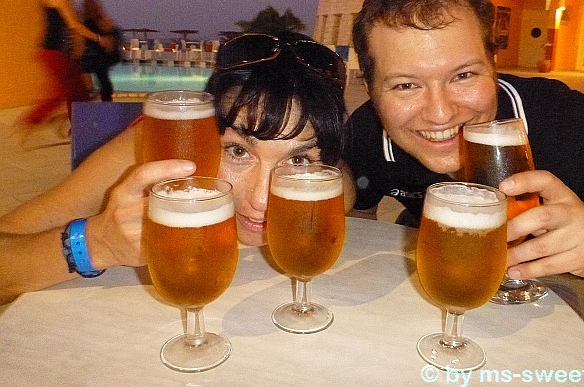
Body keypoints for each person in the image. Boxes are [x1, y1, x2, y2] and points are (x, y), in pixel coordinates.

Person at [343, 0, 584, 350]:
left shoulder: (566, 122)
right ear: (370, 89)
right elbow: (360, 215)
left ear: (494, 66)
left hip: (579, 272)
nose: (440, 114)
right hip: (446, 259)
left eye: (463, 76)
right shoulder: (369, 132)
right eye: (405, 85)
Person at [0, 32, 348, 304]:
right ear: (200, 135)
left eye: (297, 159)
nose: (260, 200)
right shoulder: (151, 153)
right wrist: (97, 243)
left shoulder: (327, 185)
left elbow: (344, 186)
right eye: (238, 151)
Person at [17, 0, 111, 130]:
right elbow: (73, 24)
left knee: (73, 91)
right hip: (54, 52)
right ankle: (31, 121)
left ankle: (73, 127)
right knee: (72, 92)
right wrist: (98, 38)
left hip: (49, 51)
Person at [79, 0, 121, 102]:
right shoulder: (90, 4)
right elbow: (102, 24)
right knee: (103, 86)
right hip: (93, 52)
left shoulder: (91, 3)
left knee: (102, 85)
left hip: (94, 52)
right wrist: (107, 33)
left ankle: (99, 107)